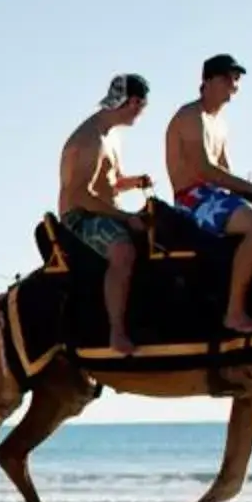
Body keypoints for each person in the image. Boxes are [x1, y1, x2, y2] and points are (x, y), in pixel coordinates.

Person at [162, 54, 252, 336]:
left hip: (212, 193)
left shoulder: (220, 123)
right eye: (228, 78)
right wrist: (250, 190)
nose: (234, 85)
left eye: (236, 79)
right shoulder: (190, 115)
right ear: (209, 80)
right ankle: (234, 313)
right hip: (192, 198)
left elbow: (223, 169)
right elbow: (203, 168)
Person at [59, 73, 155, 354]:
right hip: (80, 217)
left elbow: (109, 183)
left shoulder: (110, 136)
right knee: (123, 251)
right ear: (133, 102)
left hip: (101, 212)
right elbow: (79, 194)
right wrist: (125, 218)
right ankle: (117, 332)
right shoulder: (91, 139)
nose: (141, 113)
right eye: (141, 106)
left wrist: (135, 182)